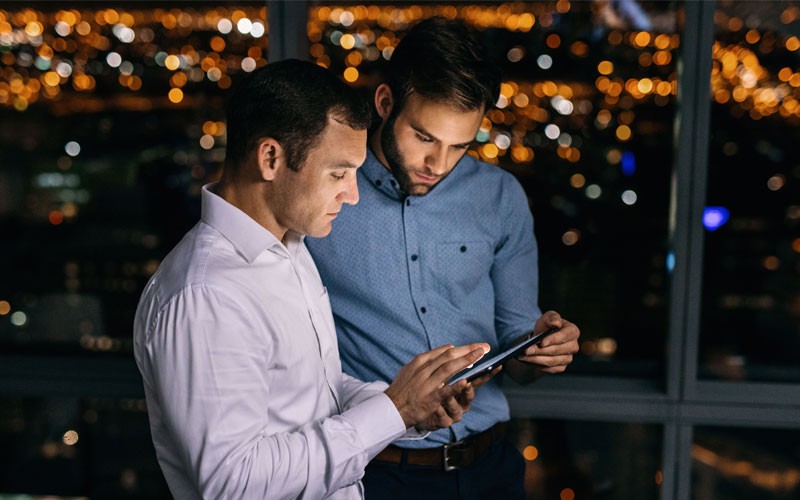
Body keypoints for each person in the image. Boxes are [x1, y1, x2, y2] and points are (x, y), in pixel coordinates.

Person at [133, 59, 491, 500]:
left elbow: (315, 395)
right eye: (338, 173)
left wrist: (409, 408)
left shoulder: (290, 251)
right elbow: (234, 483)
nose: (353, 194)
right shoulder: (206, 295)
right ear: (270, 158)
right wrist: (393, 409)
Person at [306, 18, 581, 499]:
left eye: (460, 146)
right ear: (386, 104)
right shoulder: (322, 194)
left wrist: (540, 349)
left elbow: (518, 354)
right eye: (425, 138)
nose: (439, 165)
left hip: (492, 468)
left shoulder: (499, 196)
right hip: (378, 473)